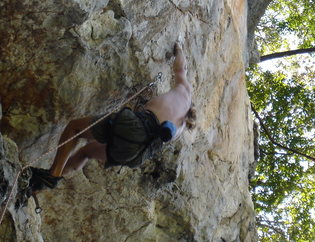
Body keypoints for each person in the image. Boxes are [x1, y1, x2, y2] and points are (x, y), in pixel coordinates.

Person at [29, 43, 193, 191]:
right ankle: (38, 185)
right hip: (135, 154)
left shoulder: (185, 93)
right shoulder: (178, 130)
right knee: (86, 153)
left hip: (134, 128)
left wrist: (179, 48)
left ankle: (53, 174)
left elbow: (181, 68)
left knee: (74, 127)